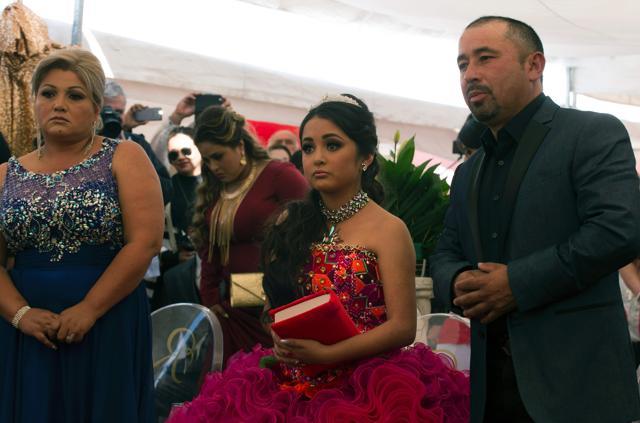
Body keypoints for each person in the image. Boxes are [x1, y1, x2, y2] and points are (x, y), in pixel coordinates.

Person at [167, 94, 469, 422]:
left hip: (369, 387)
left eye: (332, 145)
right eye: (309, 148)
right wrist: (279, 338)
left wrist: (330, 354)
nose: (318, 158)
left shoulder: (389, 230)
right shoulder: (291, 223)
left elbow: (403, 328)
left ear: (365, 156)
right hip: (292, 381)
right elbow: (274, 306)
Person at [430, 16, 640, 423]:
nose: (471, 74)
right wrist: (457, 281)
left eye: (485, 58)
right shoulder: (468, 172)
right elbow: (445, 250)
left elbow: (618, 231)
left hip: (576, 387)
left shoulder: (591, 133)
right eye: (462, 64)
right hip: (488, 390)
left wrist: (516, 284)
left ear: (534, 65)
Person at [0, 48, 163, 422]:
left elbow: (146, 243)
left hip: (107, 318)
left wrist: (90, 309)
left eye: (74, 95)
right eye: (48, 93)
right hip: (26, 328)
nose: (59, 104)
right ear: (34, 102)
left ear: (94, 107)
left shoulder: (123, 156)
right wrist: (21, 315)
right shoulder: (5, 175)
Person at [191, 105, 308, 365]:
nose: (213, 166)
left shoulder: (278, 175)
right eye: (207, 160)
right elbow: (211, 249)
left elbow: (312, 227)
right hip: (234, 307)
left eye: (218, 156)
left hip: (279, 302)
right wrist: (209, 296)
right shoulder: (216, 189)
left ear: (240, 146)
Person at [103, 80, 173, 204]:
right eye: (107, 110)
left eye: (118, 112)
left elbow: (167, 190)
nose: (112, 116)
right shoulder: (78, 143)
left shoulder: (137, 143)